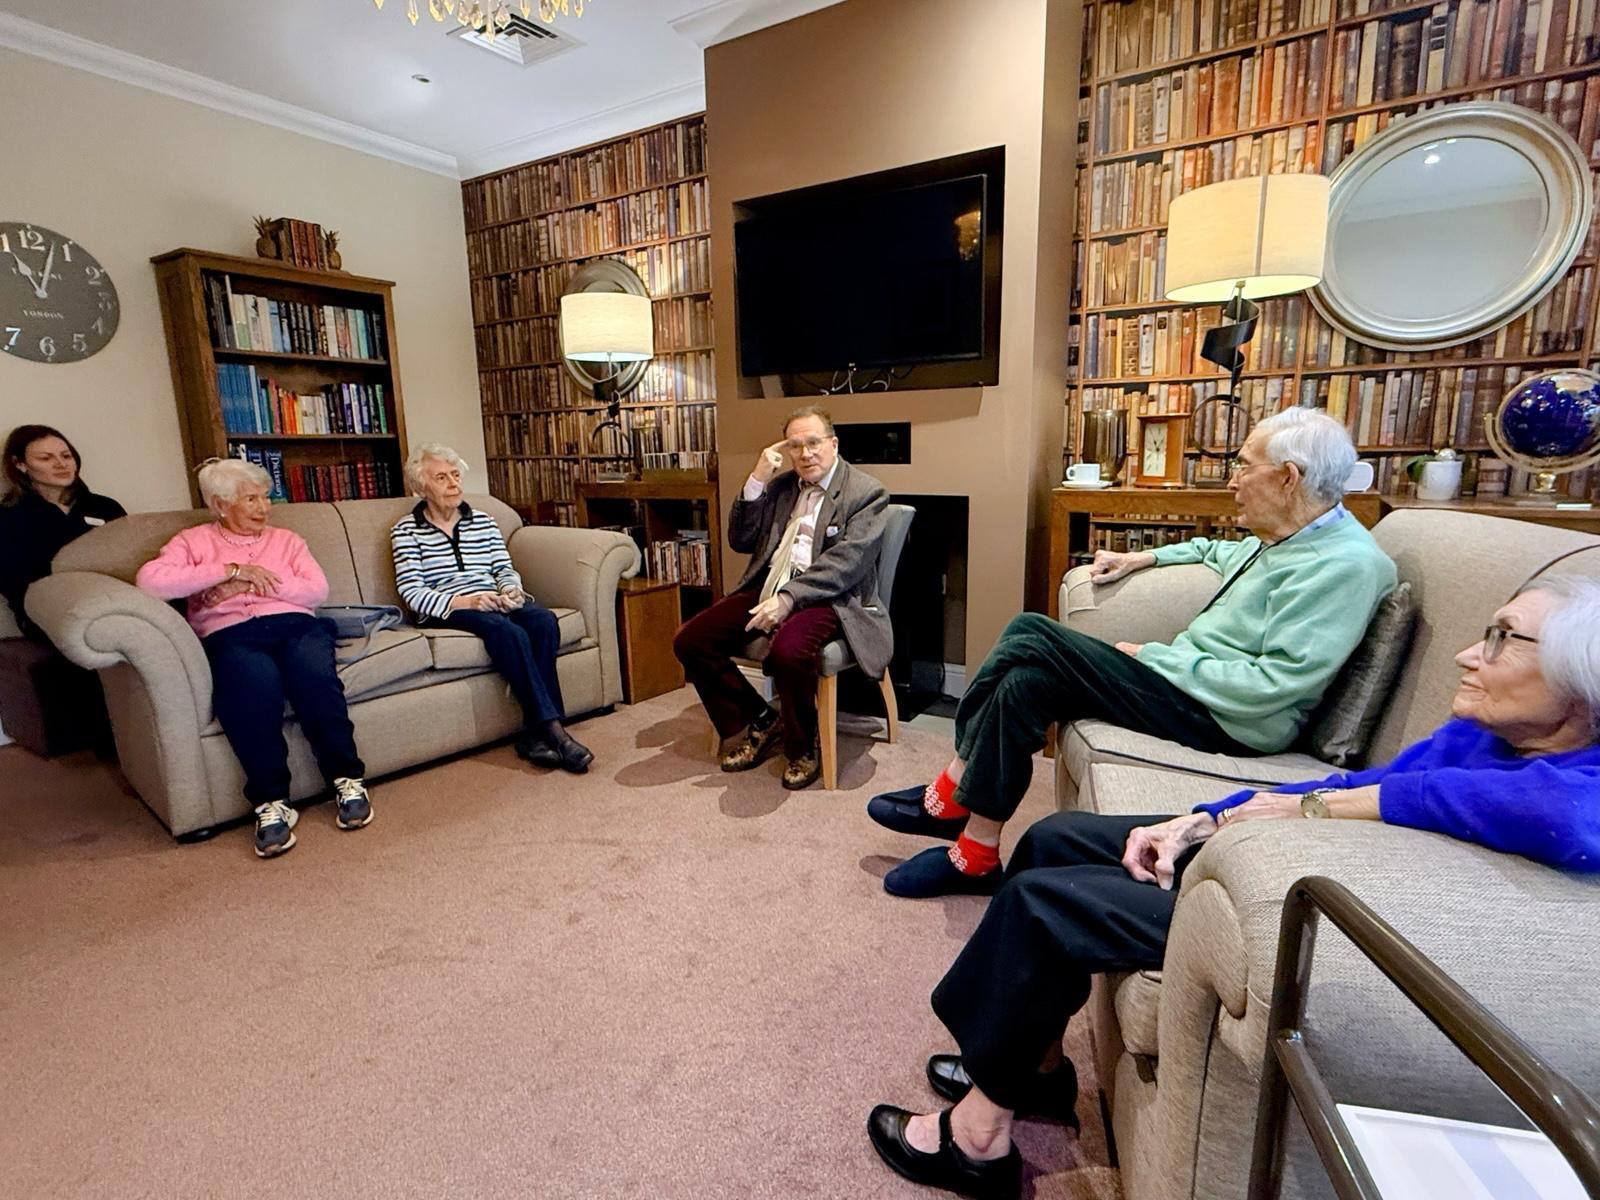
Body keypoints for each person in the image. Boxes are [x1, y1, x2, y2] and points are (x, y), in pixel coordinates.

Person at [867, 577, 1600, 1200]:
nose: (1470, 654)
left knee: (1043, 907)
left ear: (1583, 681)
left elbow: (1552, 815)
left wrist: (1320, 810)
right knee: (1054, 840)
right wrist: (1204, 818)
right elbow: (1351, 786)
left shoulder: (1578, 784)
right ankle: (1037, 1068)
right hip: (1283, 852)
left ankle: (979, 1140)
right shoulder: (1482, 736)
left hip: (1302, 915)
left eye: (1502, 638)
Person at [868, 407, 1397, 898]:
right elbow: (1213, 549)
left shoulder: (1344, 566)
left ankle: (952, 786)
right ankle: (976, 856)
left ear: (1287, 477)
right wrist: (1143, 558)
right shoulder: (1287, 535)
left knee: (1030, 632)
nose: (1233, 481)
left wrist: (1155, 657)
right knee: (1026, 683)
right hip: (1193, 688)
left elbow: (1273, 686)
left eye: (1244, 466)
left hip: (1231, 719)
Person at [136, 458, 372, 858]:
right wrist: (228, 570)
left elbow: (316, 590)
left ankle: (347, 779)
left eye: (265, 497)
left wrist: (250, 585)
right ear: (220, 504)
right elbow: (151, 582)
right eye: (251, 499)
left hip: (296, 626)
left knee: (314, 679)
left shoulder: (288, 541)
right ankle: (271, 801)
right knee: (253, 689)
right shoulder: (193, 542)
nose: (263, 507)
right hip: (231, 634)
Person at [673, 405, 890, 790]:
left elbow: (847, 564)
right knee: (691, 639)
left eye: (814, 443)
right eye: (795, 445)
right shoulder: (780, 487)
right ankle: (760, 719)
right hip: (769, 583)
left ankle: (803, 746)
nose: (805, 453)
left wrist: (789, 599)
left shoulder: (866, 492)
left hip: (829, 597)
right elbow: (740, 540)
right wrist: (757, 479)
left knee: (789, 651)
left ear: (834, 444)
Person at [389, 443, 592, 773]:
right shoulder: (406, 531)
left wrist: (511, 590)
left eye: (456, 475)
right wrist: (467, 601)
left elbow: (503, 568)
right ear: (420, 487)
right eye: (441, 478)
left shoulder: (482, 521)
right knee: (506, 631)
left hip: (492, 600)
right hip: (448, 609)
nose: (453, 484)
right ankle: (555, 732)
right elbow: (412, 592)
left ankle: (532, 736)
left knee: (542, 621)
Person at [0, 424, 126, 640]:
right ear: (20, 464)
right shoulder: (9, 516)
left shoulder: (105, 507)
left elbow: (129, 556)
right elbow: (15, 583)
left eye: (66, 456)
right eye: (46, 458)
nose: (61, 464)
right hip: (50, 611)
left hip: (116, 601)